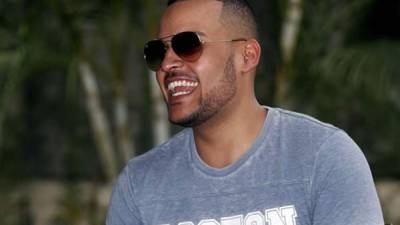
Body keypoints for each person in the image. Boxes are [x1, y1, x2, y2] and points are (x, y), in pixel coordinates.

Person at [106, 0, 384, 224]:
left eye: (188, 44)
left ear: (247, 56)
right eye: (158, 51)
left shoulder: (323, 157)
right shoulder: (139, 186)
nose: (168, 63)